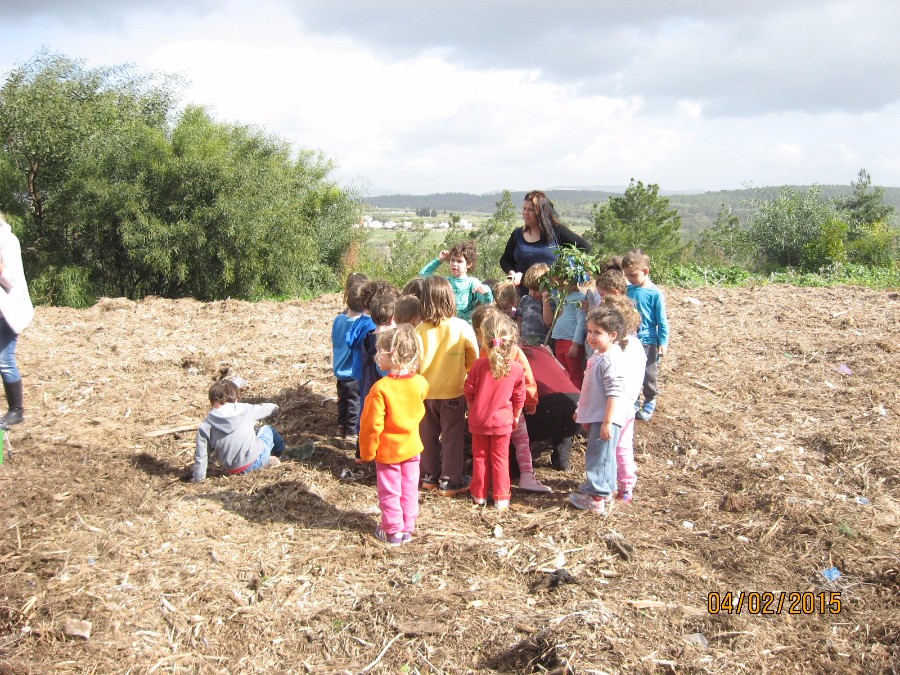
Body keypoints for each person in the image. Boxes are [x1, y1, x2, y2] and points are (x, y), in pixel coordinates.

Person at [358, 325, 429, 545]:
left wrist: (367, 452)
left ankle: (392, 531)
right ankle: (408, 528)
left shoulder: (380, 389)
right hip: (412, 447)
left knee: (389, 491)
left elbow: (371, 425)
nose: (377, 356)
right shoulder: (420, 382)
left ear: (394, 355)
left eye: (381, 352)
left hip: (389, 452)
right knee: (409, 488)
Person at [471, 305, 550, 493]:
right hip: (512, 411)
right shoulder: (514, 352)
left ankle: (484, 484)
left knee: (483, 451)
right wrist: (531, 402)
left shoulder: (481, 354)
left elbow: (472, 383)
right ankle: (526, 475)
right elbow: (527, 379)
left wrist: (472, 406)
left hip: (484, 413)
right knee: (521, 442)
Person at [415, 276, 478, 496]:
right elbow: (474, 356)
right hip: (453, 391)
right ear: (450, 299)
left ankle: (429, 476)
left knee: (427, 436)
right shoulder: (461, 326)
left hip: (425, 392)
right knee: (452, 437)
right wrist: (464, 370)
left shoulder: (419, 330)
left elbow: (414, 361)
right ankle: (451, 481)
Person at [568, 307, 626, 514]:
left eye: (597, 333)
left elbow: (614, 393)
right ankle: (605, 488)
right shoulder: (599, 355)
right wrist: (581, 410)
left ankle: (596, 497)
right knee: (603, 456)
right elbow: (590, 388)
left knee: (598, 456)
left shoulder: (610, 360)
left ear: (613, 335)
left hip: (605, 417)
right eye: (589, 331)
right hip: (597, 415)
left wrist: (607, 422)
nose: (591, 337)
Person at [464, 312, 526, 509]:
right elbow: (520, 397)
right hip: (503, 422)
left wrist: (473, 409)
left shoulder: (478, 365)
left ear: (484, 339)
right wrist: (516, 414)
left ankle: (479, 494)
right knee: (500, 459)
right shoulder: (516, 368)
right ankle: (501, 497)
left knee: (480, 457)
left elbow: (469, 391)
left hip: (479, 420)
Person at [192, 380, 285, 481]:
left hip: (233, 470)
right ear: (236, 398)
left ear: (212, 401)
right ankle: (280, 453)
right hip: (257, 459)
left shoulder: (206, 425)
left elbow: (201, 455)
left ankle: (265, 461)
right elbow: (262, 409)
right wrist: (275, 407)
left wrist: (199, 478)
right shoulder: (244, 409)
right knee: (267, 429)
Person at [601, 295, 646, 502]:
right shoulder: (637, 345)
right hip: (630, 403)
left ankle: (605, 486)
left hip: (614, 405)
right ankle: (627, 485)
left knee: (609, 447)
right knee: (624, 445)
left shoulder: (615, 350)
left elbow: (610, 382)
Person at [499, 190, 591, 291]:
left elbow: (584, 247)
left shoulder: (557, 231)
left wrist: (564, 269)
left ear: (541, 212)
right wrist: (513, 273)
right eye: (524, 209)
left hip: (552, 295)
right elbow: (505, 260)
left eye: (530, 210)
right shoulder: (517, 234)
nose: (525, 213)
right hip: (523, 298)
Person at [623, 249, 669, 421]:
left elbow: (661, 320)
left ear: (645, 271)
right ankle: (633, 400)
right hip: (630, 339)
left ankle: (650, 400)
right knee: (630, 372)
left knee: (649, 374)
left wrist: (663, 342)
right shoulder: (628, 290)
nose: (630, 279)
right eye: (627, 275)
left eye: (633, 275)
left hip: (648, 341)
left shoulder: (655, 293)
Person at [521, 345, 580, 471]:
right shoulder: (543, 351)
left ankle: (516, 468)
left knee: (517, 431)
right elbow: (565, 374)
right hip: (575, 405)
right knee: (564, 418)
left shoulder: (513, 355)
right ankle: (562, 460)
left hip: (543, 409)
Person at [0, 213, 34, 429]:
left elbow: (10, 279)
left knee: (4, 358)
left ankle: (16, 411)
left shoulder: (7, 240)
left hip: (7, 310)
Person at [419, 240, 493, 323]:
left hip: (467, 329)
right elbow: (423, 274)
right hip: (447, 327)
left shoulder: (472, 282)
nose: (454, 264)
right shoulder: (445, 282)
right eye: (452, 260)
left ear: (469, 264)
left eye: (459, 261)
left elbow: (487, 301)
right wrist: (439, 260)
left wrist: (486, 291)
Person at [331, 281, 365, 439]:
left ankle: (341, 427)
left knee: (342, 400)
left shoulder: (338, 319)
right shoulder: (360, 324)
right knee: (354, 402)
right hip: (353, 371)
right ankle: (352, 431)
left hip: (339, 370)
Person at [549, 277, 587, 389]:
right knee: (564, 373)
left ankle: (578, 399)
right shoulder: (561, 296)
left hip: (570, 341)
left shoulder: (579, 298)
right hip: (559, 339)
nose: (559, 289)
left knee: (575, 373)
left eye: (561, 286)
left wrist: (575, 344)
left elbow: (581, 322)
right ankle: (568, 396)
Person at [517, 263, 554, 346]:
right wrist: (518, 332)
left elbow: (548, 322)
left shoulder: (550, 301)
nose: (533, 293)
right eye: (530, 289)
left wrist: (546, 301)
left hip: (543, 345)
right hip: (525, 343)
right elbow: (519, 318)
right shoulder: (525, 300)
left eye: (537, 289)